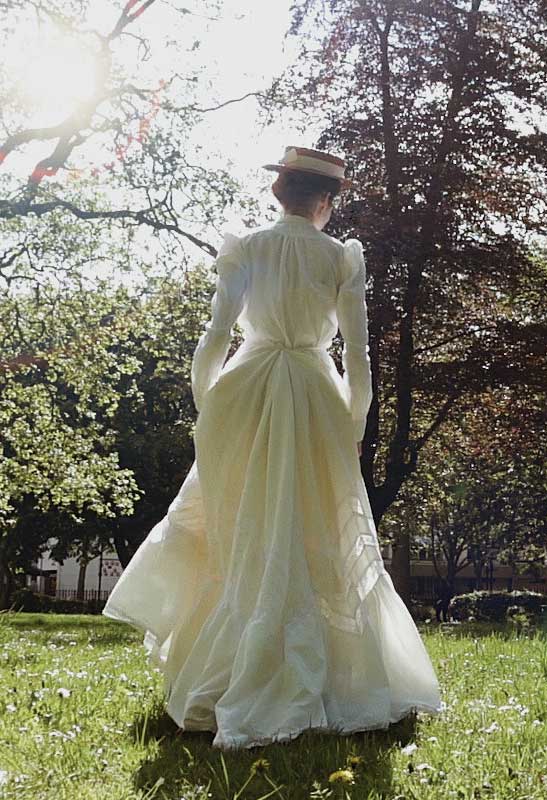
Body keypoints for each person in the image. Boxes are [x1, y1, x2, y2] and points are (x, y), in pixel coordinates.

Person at [102, 146, 443, 751]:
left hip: (247, 387)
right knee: (316, 526)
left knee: (238, 523)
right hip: (313, 392)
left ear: (279, 191)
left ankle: (221, 669)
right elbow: (358, 353)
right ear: (326, 201)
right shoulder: (340, 258)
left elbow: (216, 332)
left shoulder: (248, 247)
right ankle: (330, 673)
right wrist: (356, 417)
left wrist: (208, 400)